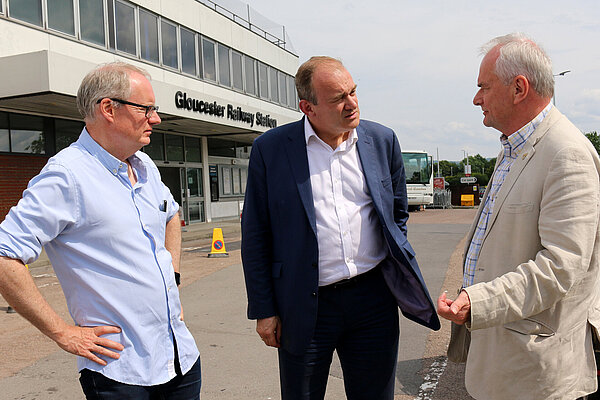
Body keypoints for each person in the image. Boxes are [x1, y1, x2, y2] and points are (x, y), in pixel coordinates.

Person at [241, 56, 440, 400]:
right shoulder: (271, 150)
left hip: (373, 300)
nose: (351, 104)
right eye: (337, 98)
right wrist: (264, 309)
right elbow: (256, 234)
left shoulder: (381, 140)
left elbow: (396, 214)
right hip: (305, 304)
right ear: (308, 107)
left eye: (353, 92)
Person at [0, 62, 201, 399]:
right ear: (109, 108)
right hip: (121, 371)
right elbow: (4, 254)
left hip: (179, 357)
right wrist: (62, 333)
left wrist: (173, 277)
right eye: (146, 108)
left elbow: (171, 216)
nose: (156, 118)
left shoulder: (144, 165)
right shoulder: (67, 175)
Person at [437, 33, 600, 400]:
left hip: (536, 374)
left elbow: (560, 266)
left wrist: (476, 302)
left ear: (519, 88)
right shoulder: (514, 147)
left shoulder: (566, 154)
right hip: (504, 362)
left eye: (484, 87)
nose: (476, 98)